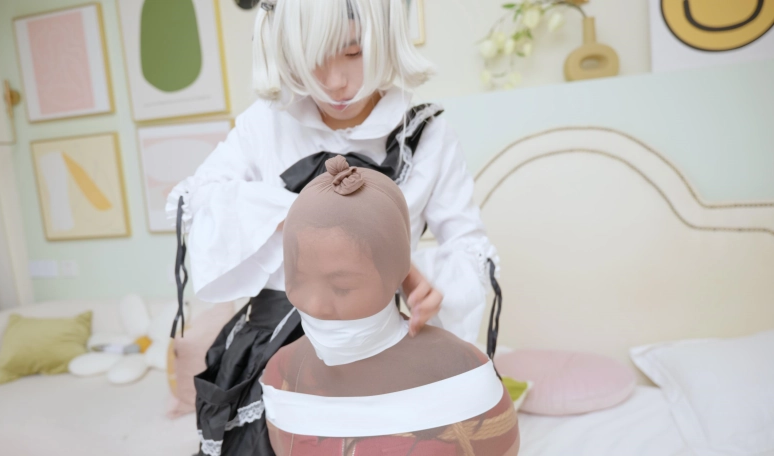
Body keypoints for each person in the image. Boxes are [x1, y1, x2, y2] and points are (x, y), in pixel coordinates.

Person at [166, 0, 501, 454]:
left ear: (385, 39)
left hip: (378, 344)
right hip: (270, 345)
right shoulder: (267, 122)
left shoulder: (427, 135)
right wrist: (318, 219)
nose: (334, 82)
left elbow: (468, 245)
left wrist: (426, 284)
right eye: (311, 58)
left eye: (353, 52)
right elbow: (194, 199)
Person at [261, 156, 519, 456]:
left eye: (342, 287)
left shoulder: (463, 374)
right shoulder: (282, 373)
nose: (315, 305)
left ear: (398, 273)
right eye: (298, 280)